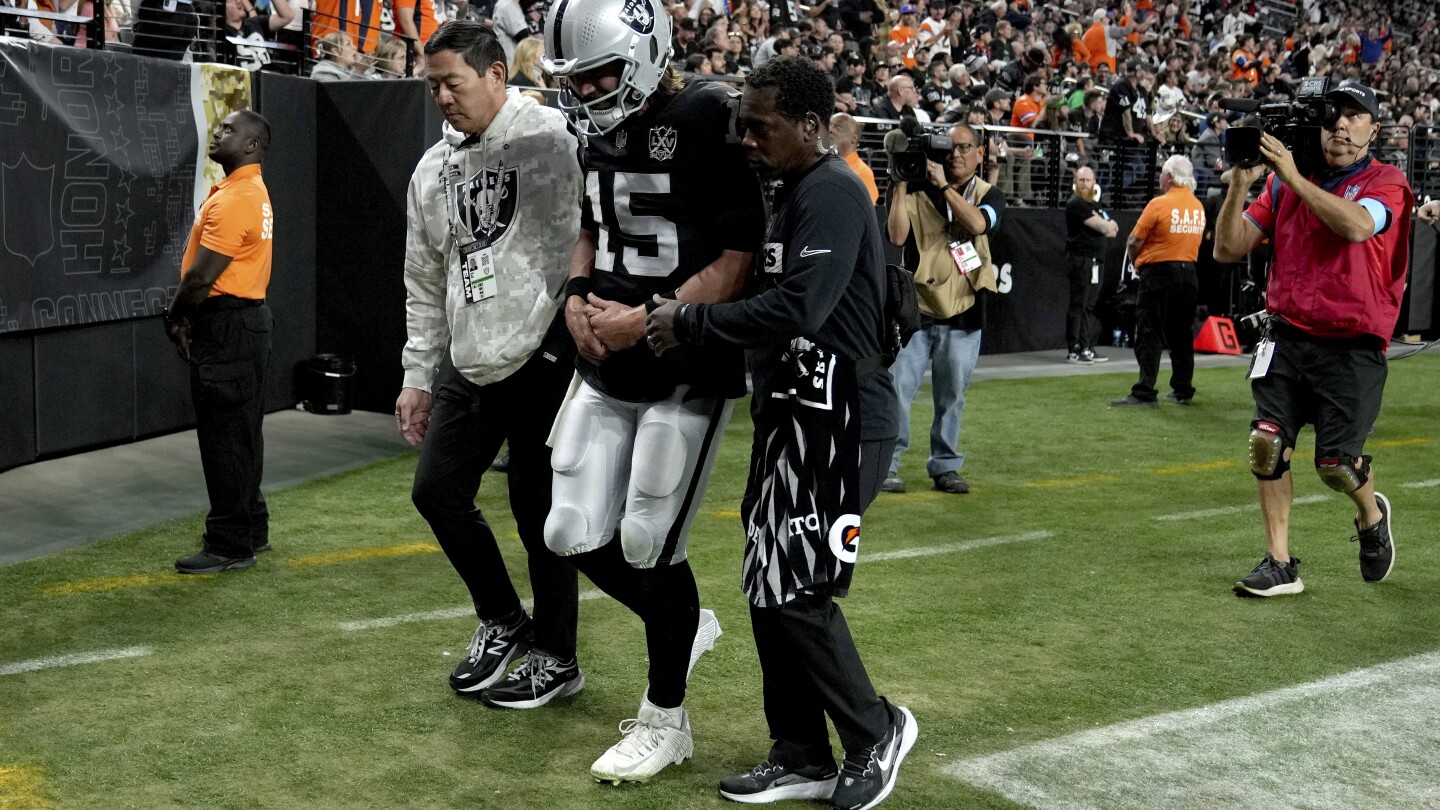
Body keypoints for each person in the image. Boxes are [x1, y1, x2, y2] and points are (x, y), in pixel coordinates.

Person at [645, 55, 917, 810]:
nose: (746, 141)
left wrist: (691, 320)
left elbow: (800, 308)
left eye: (760, 128)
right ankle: (799, 752)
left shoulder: (829, 190)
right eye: (741, 126)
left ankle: (876, 731)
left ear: (810, 126)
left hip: (842, 416)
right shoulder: (796, 190)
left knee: (797, 588)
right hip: (796, 412)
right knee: (768, 584)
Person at [543, 0, 765, 783]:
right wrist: (575, 291)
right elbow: (593, 223)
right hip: (607, 350)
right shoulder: (594, 127)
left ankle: (665, 718)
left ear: (645, 54)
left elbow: (741, 249)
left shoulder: (706, 115)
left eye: (599, 74)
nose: (588, 93)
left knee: (648, 539)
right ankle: (682, 622)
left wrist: (653, 317)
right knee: (567, 527)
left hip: (682, 360)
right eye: (574, 80)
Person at [395, 22, 585, 707]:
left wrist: (567, 340)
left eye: (455, 82)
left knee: (542, 518)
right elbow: (423, 276)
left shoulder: (551, 142)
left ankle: (558, 657)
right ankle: (504, 619)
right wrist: (418, 374)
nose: (443, 97)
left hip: (541, 354)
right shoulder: (432, 168)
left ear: (497, 74)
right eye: (433, 85)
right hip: (466, 355)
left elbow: (582, 246)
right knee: (435, 492)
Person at [1214, 83, 1412, 597]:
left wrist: (1293, 177)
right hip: (1285, 334)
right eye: (1332, 117)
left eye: (1354, 117)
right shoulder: (1281, 185)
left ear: (1374, 129)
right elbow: (1228, 248)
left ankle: (1371, 514)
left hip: (1352, 342)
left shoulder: (1386, 181)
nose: (1341, 127)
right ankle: (1280, 563)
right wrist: (1240, 184)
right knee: (1266, 444)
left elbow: (1356, 227)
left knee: (1336, 465)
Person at [165, 110, 275, 575]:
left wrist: (175, 318)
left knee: (224, 435)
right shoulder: (249, 191)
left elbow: (200, 278)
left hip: (227, 324)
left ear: (251, 145)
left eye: (229, 129)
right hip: (247, 323)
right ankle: (251, 526)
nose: (217, 132)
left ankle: (229, 543)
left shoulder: (236, 198)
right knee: (243, 430)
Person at [881, 121, 1005, 496]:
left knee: (952, 395)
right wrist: (901, 181)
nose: (955, 154)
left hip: (964, 311)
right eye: (949, 147)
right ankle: (888, 465)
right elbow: (896, 236)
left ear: (981, 153)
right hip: (915, 309)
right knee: (898, 390)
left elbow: (978, 223)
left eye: (965, 147)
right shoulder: (914, 186)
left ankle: (945, 467)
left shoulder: (989, 193)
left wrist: (945, 187)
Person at [1112, 154, 1203, 407]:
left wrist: (1136, 262)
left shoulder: (1159, 204)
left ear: (1170, 177)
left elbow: (1133, 240)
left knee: (1150, 331)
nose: (1160, 178)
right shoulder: (1197, 206)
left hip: (1160, 274)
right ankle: (1183, 389)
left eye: (1162, 173)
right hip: (1189, 274)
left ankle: (1144, 391)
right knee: (1182, 335)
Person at [1064, 166, 1119, 363]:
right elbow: (1105, 226)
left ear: (1094, 182)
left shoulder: (1094, 205)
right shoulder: (1075, 204)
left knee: (1088, 306)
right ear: (1075, 182)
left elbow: (1113, 231)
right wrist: (1107, 225)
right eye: (1081, 180)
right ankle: (1074, 349)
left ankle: (1086, 347)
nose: (1085, 184)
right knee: (1078, 305)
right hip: (1081, 261)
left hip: (1096, 262)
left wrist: (1108, 225)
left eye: (1088, 180)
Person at [829, 112, 879, 204]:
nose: (830, 130)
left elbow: (865, 211)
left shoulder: (863, 173)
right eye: (829, 125)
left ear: (854, 138)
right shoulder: (820, 165)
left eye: (838, 127)